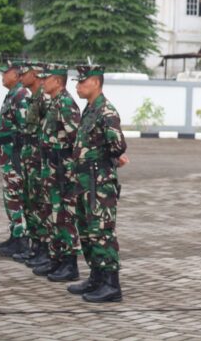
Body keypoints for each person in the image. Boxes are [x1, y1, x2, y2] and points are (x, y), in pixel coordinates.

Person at [68, 65, 129, 302]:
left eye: (82, 82)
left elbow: (117, 145)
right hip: (85, 182)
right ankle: (96, 277)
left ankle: (111, 285)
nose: (77, 86)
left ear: (95, 82)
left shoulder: (106, 111)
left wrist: (108, 159)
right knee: (86, 231)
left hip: (99, 183)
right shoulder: (90, 109)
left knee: (101, 232)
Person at [31, 63, 83, 282]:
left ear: (58, 81)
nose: (43, 81)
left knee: (65, 217)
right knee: (53, 216)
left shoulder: (66, 105)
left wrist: (70, 172)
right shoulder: (54, 103)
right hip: (52, 171)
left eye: (47, 78)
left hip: (63, 173)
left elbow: (76, 141)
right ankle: (57, 258)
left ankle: (69, 264)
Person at [0, 59, 30, 257]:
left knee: (16, 196)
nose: (2, 75)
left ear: (16, 74)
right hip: (8, 158)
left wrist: (21, 158)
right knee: (10, 197)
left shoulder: (21, 95)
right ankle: (15, 236)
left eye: (5, 72)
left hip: (15, 157)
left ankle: (22, 240)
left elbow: (26, 129)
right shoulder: (12, 95)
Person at [12, 61, 48, 264]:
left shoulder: (44, 100)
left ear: (35, 75)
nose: (20, 76)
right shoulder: (34, 99)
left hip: (39, 161)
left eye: (24, 73)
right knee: (29, 203)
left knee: (39, 205)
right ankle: (36, 246)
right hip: (29, 159)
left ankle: (43, 248)